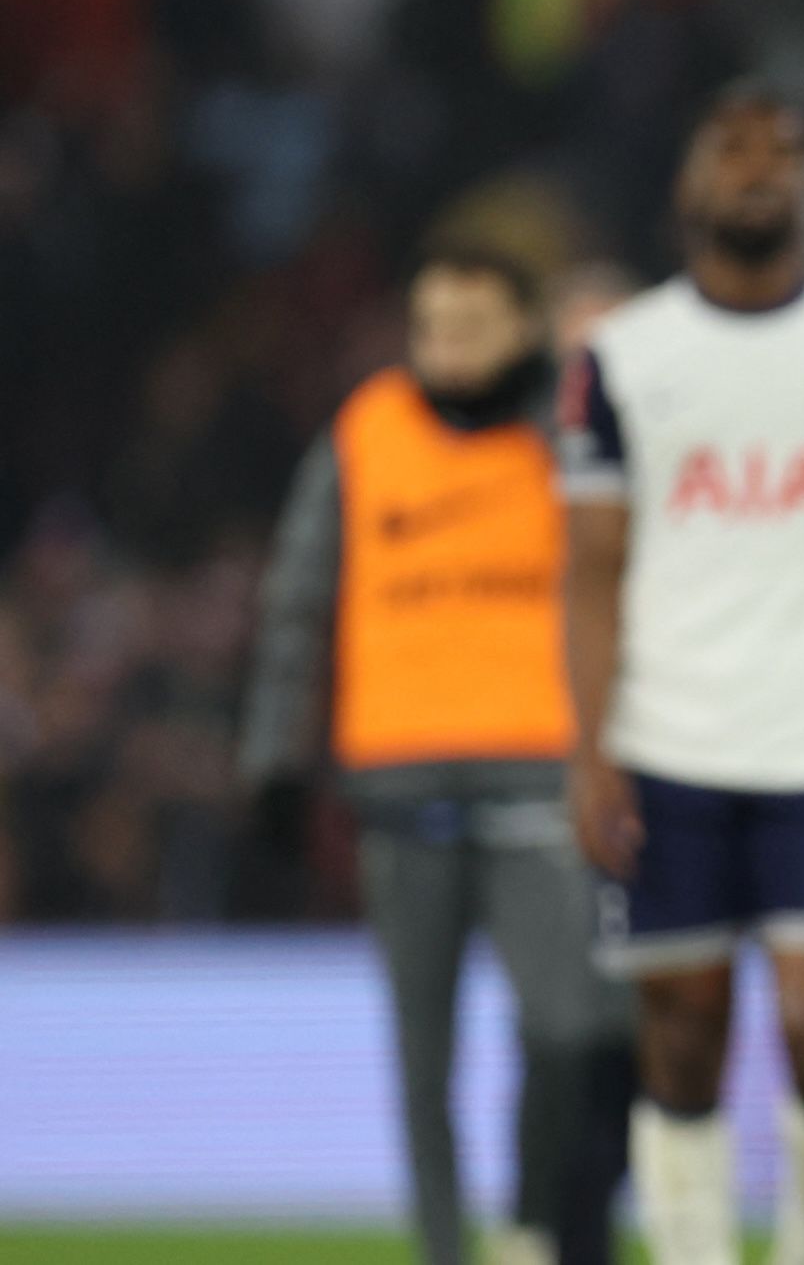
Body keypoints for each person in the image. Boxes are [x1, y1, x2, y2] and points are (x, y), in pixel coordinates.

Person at [240, 248, 634, 1265]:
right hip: (401, 786)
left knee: (573, 1029)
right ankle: (449, 1252)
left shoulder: (575, 430)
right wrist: (274, 759)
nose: (444, 349)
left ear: (526, 331)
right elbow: (297, 599)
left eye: (469, 326)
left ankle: (537, 1226)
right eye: (428, 327)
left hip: (541, 774)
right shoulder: (366, 432)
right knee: (424, 1063)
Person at [560, 90, 804, 1265]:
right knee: (684, 1034)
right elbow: (591, 568)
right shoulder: (620, 357)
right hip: (670, 740)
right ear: (687, 188)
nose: (757, 173)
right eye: (730, 152)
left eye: (779, 156)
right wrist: (590, 748)